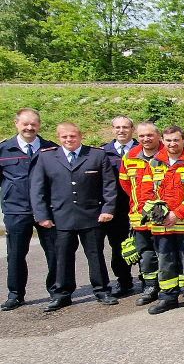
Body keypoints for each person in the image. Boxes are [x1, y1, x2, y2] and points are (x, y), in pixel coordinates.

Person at [30, 122, 119, 311]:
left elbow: (109, 186)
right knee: (62, 257)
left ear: (80, 136)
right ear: (58, 137)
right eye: (64, 137)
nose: (69, 140)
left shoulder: (96, 154)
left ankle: (102, 290)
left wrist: (108, 209)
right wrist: (42, 215)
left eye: (72, 136)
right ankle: (62, 294)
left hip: (92, 215)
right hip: (60, 216)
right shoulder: (47, 157)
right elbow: (37, 189)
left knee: (95, 255)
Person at [143, 126, 184, 314]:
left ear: (183, 140)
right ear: (162, 140)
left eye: (176, 140)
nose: (172, 144)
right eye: (168, 140)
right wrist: (159, 215)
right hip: (161, 225)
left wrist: (176, 214)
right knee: (165, 263)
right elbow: (145, 192)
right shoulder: (154, 163)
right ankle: (168, 297)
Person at [1, 108, 57, 311]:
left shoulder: (50, 149)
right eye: (25, 123)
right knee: (15, 254)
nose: (29, 127)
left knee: (54, 252)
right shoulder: (4, 149)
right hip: (16, 210)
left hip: (47, 209)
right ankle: (15, 294)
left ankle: (56, 292)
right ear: (16, 124)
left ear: (39, 125)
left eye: (33, 124)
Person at [120, 122, 164, 306]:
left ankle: (169, 287)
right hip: (139, 215)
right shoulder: (129, 157)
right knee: (146, 254)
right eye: (142, 136)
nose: (146, 139)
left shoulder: (167, 154)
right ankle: (150, 287)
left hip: (163, 216)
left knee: (167, 253)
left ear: (158, 135)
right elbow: (126, 185)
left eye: (150, 135)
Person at [101, 116, 139, 298]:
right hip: (116, 207)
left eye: (125, 127)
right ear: (113, 129)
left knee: (145, 244)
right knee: (118, 246)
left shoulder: (144, 149)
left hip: (140, 205)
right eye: (117, 127)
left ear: (132, 129)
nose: (121, 131)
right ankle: (124, 281)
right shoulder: (103, 152)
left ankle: (148, 279)